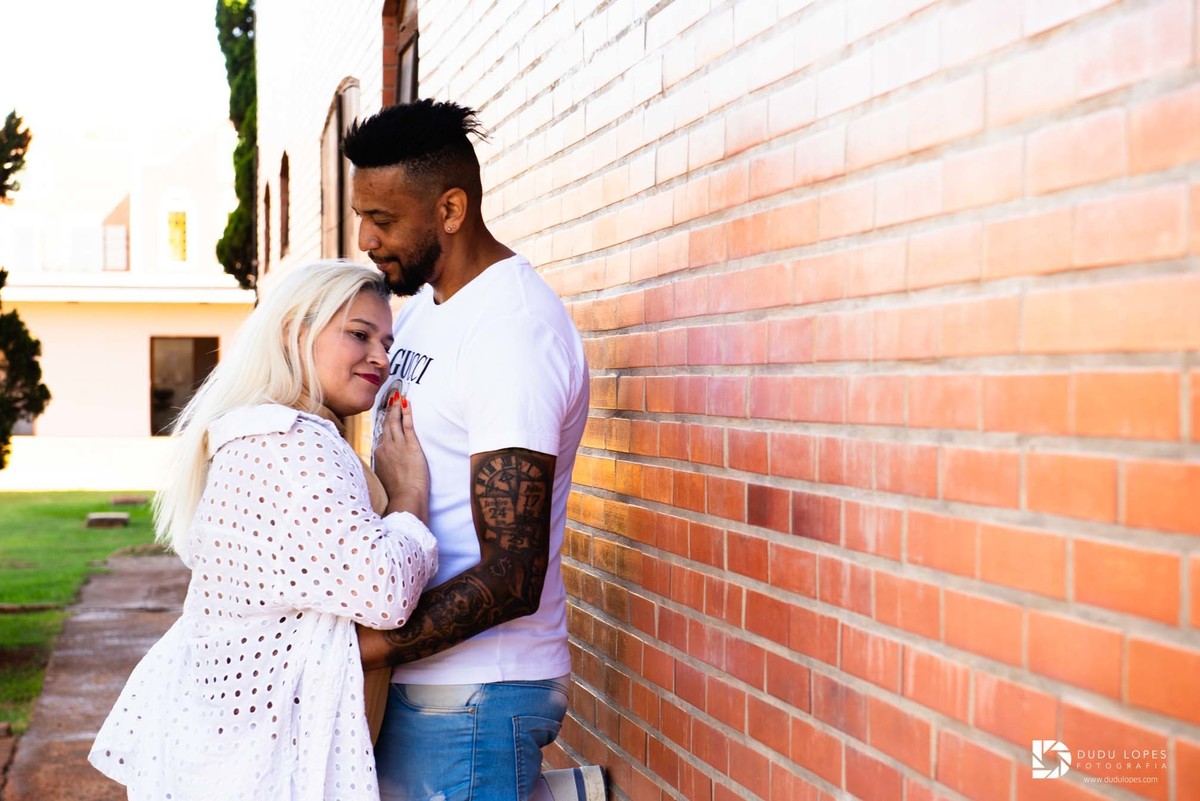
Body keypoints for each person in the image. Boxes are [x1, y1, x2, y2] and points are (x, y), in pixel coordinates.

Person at [88, 260, 439, 801]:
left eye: (386, 342)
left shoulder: (256, 432)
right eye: (359, 334)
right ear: (294, 332)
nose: (380, 357)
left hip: (231, 753)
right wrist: (410, 493)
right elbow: (383, 591)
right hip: (266, 767)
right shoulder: (290, 443)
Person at [344, 100, 604, 801]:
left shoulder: (510, 332)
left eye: (383, 219)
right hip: (422, 682)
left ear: (451, 209)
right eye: (362, 215)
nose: (365, 238)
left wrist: (360, 647)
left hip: (476, 694)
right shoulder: (423, 313)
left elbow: (514, 574)